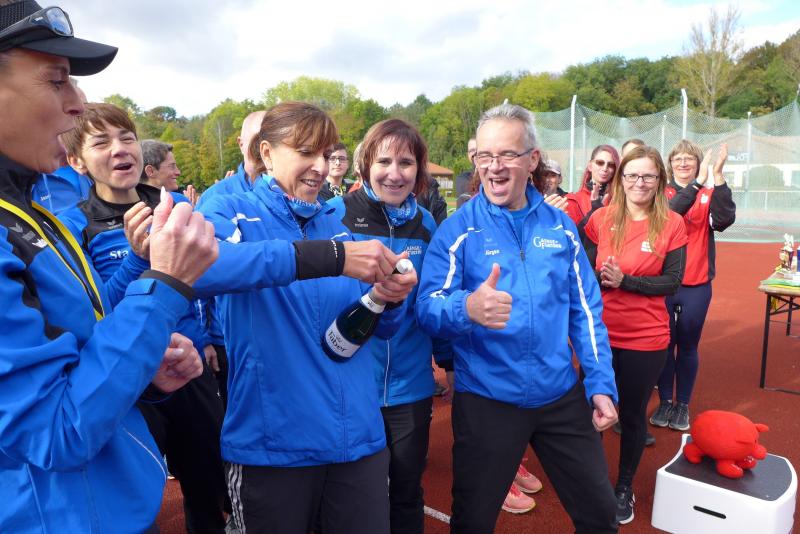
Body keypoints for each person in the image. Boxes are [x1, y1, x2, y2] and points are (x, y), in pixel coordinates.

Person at [0, 2, 218, 531]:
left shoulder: (26, 212)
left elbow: (79, 352)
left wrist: (142, 371)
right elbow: (55, 431)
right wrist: (164, 284)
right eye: (57, 80)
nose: (78, 103)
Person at [195, 102, 417, 534]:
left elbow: (371, 331)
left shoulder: (337, 224)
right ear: (266, 152)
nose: (320, 166)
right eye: (305, 152)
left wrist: (387, 299)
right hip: (274, 447)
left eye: (327, 154)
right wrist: (330, 257)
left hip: (358, 442)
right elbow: (202, 269)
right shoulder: (230, 209)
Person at [416, 102, 619, 534]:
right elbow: (428, 306)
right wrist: (466, 308)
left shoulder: (561, 228)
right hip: (487, 399)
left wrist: (600, 383)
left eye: (507, 154)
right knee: (472, 522)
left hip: (559, 394)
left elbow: (585, 311)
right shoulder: (458, 230)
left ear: (532, 159)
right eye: (485, 155)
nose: (494, 166)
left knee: (600, 515)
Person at [59, 102, 229, 534]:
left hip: (189, 369)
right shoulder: (74, 224)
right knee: (138, 494)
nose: (120, 149)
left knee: (209, 485)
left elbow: (207, 278)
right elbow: (96, 312)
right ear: (77, 161)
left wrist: (210, 337)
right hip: (130, 379)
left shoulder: (174, 206)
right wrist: (138, 259)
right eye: (102, 142)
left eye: (127, 138)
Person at [328, 119, 451, 534]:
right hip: (349, 383)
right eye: (384, 161)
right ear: (365, 165)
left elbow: (432, 300)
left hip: (409, 387)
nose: (394, 173)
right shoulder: (337, 216)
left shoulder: (427, 225)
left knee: (405, 491)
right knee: (348, 495)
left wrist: (448, 361)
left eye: (406, 162)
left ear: (419, 169)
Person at [581, 145, 688, 525]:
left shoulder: (672, 223)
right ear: (620, 179)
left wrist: (626, 281)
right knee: (591, 408)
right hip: (599, 334)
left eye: (647, 176)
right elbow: (581, 270)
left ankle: (623, 487)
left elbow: (672, 282)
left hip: (646, 337)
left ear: (659, 181)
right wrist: (602, 278)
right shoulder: (600, 218)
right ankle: (594, 482)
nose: (639, 182)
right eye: (631, 175)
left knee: (630, 413)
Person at [651, 140, 736, 432]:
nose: (684, 163)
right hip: (664, 283)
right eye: (678, 159)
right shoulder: (660, 193)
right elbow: (669, 216)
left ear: (699, 164)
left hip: (696, 284)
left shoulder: (709, 194)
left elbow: (723, 220)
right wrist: (697, 183)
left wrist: (718, 175)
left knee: (688, 345)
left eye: (689, 159)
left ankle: (682, 404)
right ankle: (665, 400)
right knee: (664, 344)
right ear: (670, 164)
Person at [196, 109, 266, 405]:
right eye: (257, 138)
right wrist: (204, 338)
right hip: (228, 338)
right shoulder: (216, 197)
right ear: (241, 143)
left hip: (278, 335)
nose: (263, 147)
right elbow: (199, 269)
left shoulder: (291, 193)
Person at [565, 144, 620, 225]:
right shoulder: (573, 200)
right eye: (600, 163)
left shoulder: (621, 199)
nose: (605, 168)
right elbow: (573, 232)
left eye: (611, 165)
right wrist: (594, 212)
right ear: (590, 166)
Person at [455, 138, 476, 208]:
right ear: (468, 155)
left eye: (478, 149)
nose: (475, 153)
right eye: (472, 150)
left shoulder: (494, 176)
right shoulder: (462, 178)